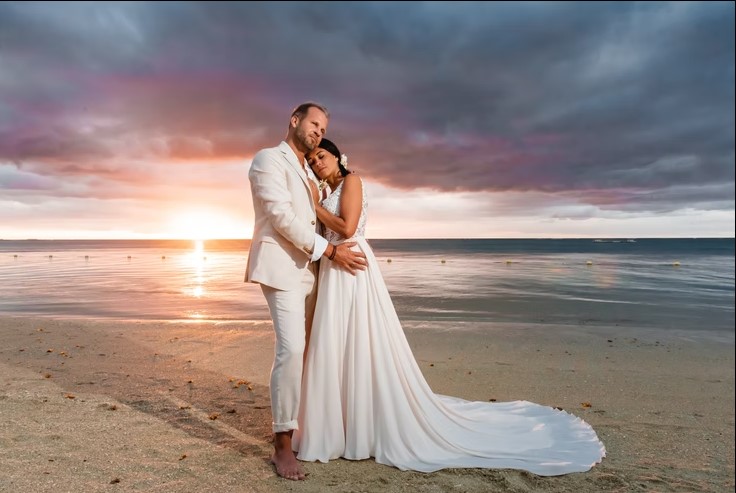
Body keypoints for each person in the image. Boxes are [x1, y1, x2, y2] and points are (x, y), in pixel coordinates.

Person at [293, 138, 606, 475]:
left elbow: (348, 227)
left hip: (352, 266)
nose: (317, 163)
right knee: (335, 344)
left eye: (321, 156)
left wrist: (314, 207)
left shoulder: (351, 181)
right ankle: (339, 426)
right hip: (334, 271)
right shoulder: (324, 194)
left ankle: (363, 427)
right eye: (311, 161)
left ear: (338, 156)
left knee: (360, 342)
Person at [245, 103, 367, 481]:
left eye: (324, 128)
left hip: (316, 273)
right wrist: (331, 251)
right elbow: (282, 218)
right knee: (291, 349)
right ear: (294, 120)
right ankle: (282, 441)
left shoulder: (310, 171)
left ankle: (313, 426)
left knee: (315, 351)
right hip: (282, 268)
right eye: (314, 124)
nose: (318, 131)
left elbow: (329, 218)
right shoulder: (268, 160)